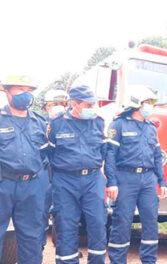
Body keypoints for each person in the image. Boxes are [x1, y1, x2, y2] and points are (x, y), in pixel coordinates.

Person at [105, 86, 167, 264]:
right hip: (125, 178)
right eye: (147, 103)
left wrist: (161, 181)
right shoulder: (118, 124)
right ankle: (117, 261)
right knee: (122, 221)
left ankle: (149, 260)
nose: (150, 107)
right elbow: (110, 156)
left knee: (150, 221)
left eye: (151, 103)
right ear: (136, 104)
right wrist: (112, 182)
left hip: (148, 179)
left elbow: (157, 156)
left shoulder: (150, 128)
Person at [47, 85, 107, 264]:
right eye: (87, 105)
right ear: (74, 103)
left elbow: (103, 151)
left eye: (93, 104)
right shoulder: (57, 125)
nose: (91, 108)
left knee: (98, 223)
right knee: (66, 226)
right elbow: (49, 154)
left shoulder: (99, 122)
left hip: (93, 179)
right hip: (65, 180)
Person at [0, 75, 49, 264]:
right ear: (7, 91)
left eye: (28, 91)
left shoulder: (40, 123)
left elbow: (47, 156)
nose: (25, 95)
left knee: (32, 238)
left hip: (32, 186)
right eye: (20, 89)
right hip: (3, 183)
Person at [41, 89, 70, 249]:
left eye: (63, 104)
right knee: (40, 214)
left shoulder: (72, 125)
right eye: (55, 104)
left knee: (64, 214)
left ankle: (62, 247)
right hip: (43, 176)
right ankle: (39, 248)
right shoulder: (40, 124)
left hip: (63, 177)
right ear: (46, 107)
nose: (59, 107)